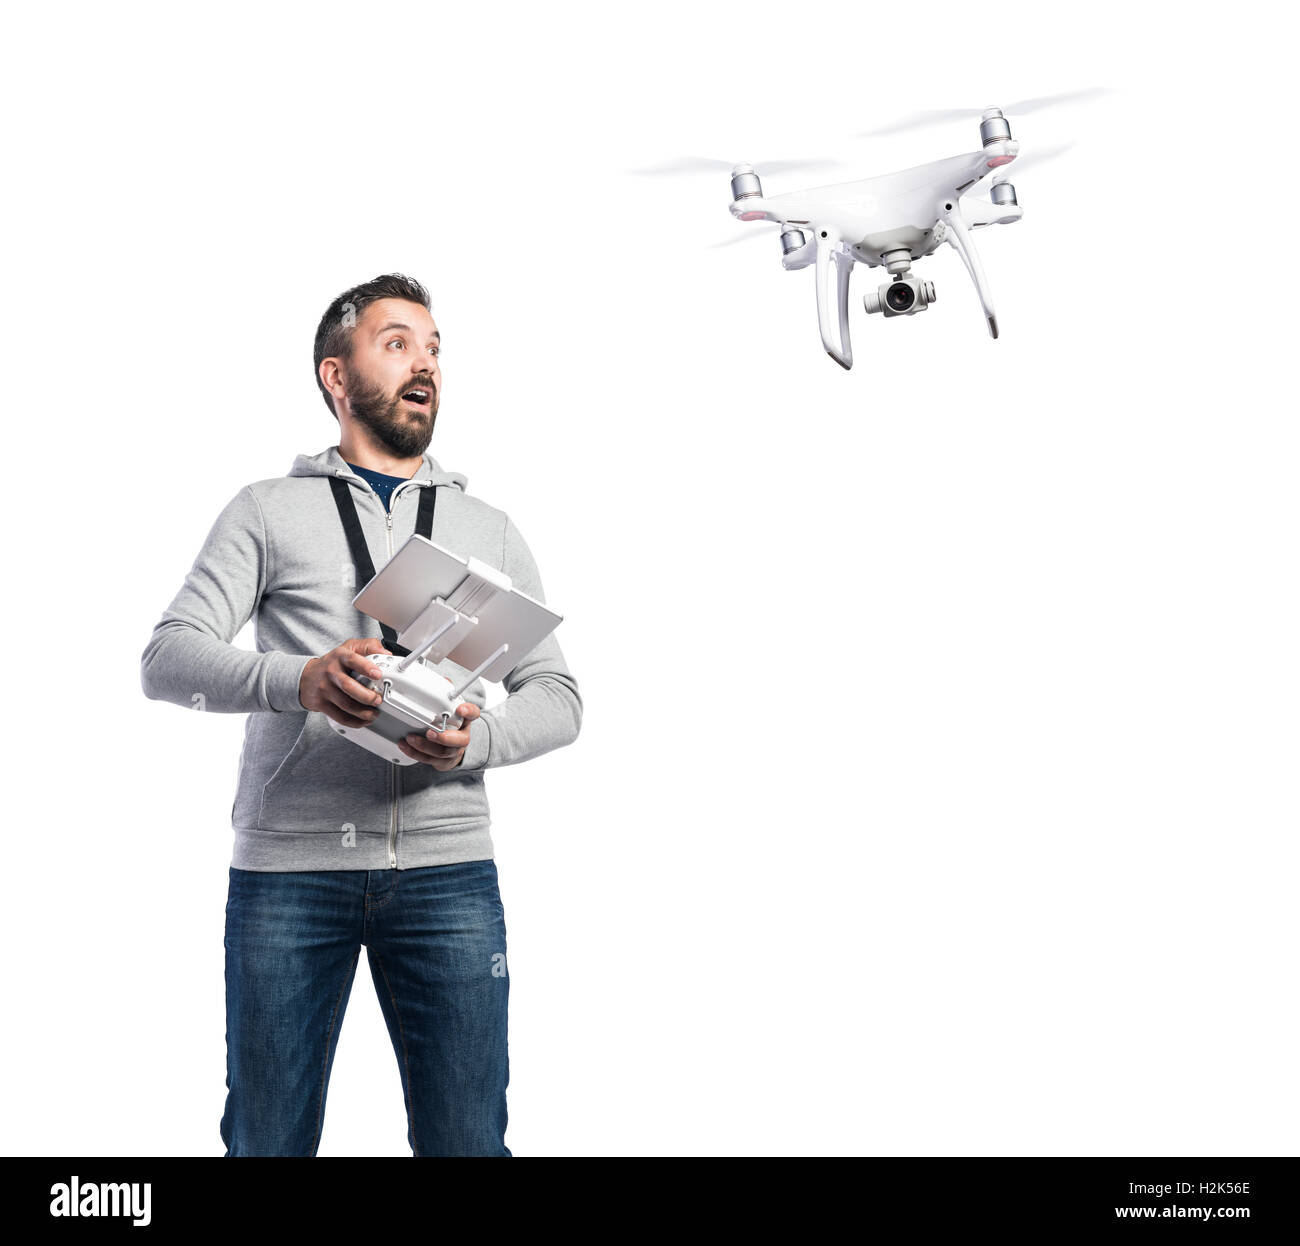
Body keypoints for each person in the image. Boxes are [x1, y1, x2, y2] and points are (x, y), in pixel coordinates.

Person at [140, 273, 581, 1157]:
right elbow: (167, 660)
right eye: (396, 343)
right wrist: (298, 679)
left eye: (433, 346)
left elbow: (558, 698)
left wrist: (473, 743)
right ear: (334, 376)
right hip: (287, 877)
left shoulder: (485, 527)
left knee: (468, 1145)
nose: (425, 363)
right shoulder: (267, 509)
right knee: (265, 1143)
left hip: (449, 875)